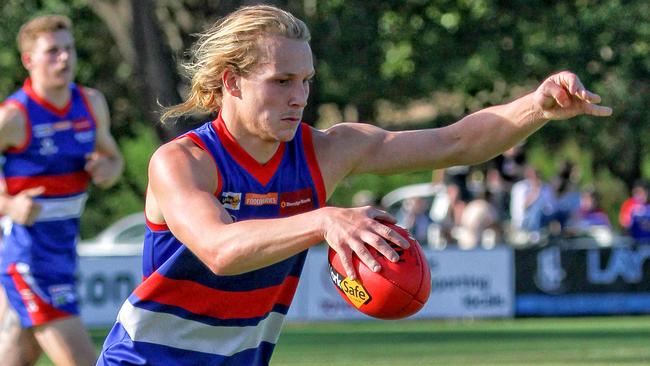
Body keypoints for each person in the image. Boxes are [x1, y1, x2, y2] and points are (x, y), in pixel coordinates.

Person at [97, 5, 611, 365]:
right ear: (231, 82)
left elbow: (454, 143)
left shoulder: (324, 150)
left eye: (306, 80)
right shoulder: (183, 161)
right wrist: (324, 219)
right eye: (281, 81)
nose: (299, 96)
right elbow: (219, 250)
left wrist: (534, 107)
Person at [0, 15, 123, 366]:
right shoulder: (14, 117)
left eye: (69, 49)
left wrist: (106, 169)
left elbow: (112, 160)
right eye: (52, 51)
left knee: (14, 356)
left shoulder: (90, 103)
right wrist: (7, 205)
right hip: (26, 256)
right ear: (29, 60)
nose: (65, 58)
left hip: (63, 250)